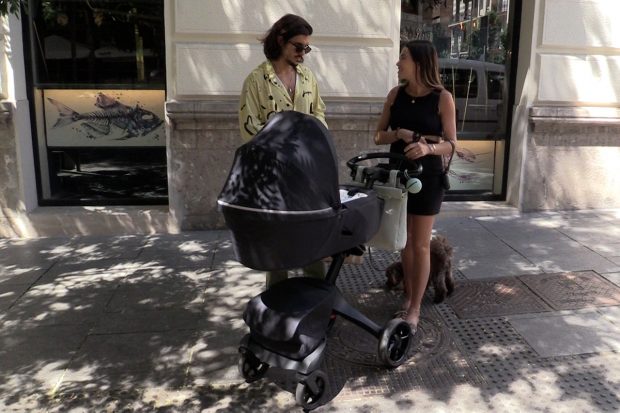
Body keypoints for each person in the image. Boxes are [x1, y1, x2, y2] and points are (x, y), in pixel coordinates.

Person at [238, 14, 327, 288]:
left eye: (306, 48)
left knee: (312, 238)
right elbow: (249, 128)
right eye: (298, 47)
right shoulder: (256, 81)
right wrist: (283, 146)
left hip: (306, 173)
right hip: (272, 176)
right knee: (276, 243)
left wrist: (314, 143)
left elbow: (319, 113)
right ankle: (276, 301)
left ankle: (317, 297)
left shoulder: (308, 77)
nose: (303, 53)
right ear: (280, 40)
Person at [374, 40, 457, 332]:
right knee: (403, 241)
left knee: (420, 243)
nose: (398, 63)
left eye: (403, 58)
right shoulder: (395, 95)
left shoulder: (441, 98)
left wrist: (426, 148)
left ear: (420, 63)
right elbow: (378, 136)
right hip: (397, 174)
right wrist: (398, 133)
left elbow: (451, 144)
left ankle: (415, 309)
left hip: (428, 177)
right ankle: (409, 294)